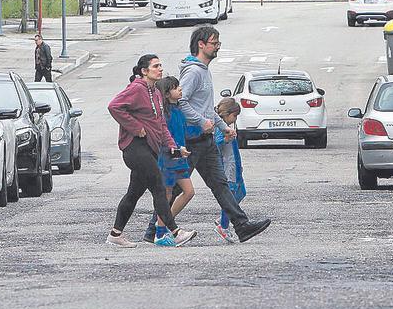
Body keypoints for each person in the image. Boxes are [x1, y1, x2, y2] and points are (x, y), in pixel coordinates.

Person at [146, 26, 270, 243]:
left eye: (218, 43)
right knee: (176, 188)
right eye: (214, 43)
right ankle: (153, 230)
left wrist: (222, 127)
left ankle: (242, 226)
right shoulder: (194, 72)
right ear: (201, 45)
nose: (217, 47)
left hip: (206, 140)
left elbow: (206, 108)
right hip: (193, 140)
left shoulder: (203, 70)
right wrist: (201, 122)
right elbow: (179, 100)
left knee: (220, 184)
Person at [106, 55, 197, 248]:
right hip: (135, 147)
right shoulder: (136, 89)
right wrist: (134, 126)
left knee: (134, 193)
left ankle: (115, 234)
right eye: (156, 66)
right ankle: (174, 232)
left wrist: (173, 146)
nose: (160, 69)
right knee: (159, 187)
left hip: (151, 148)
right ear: (144, 71)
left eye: (160, 65)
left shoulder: (155, 92)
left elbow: (162, 125)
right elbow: (114, 106)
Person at [153, 76, 195, 242]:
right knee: (167, 194)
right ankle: (161, 232)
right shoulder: (165, 114)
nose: (180, 89)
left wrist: (204, 130)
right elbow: (164, 137)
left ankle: (162, 226)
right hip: (167, 160)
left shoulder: (178, 110)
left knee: (189, 192)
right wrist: (176, 149)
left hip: (180, 159)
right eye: (175, 87)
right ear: (167, 93)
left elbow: (186, 131)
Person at [214, 98, 245, 243]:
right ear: (228, 114)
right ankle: (224, 225)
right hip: (227, 167)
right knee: (231, 195)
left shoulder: (227, 127)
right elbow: (216, 145)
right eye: (235, 116)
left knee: (241, 192)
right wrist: (226, 139)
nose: (235, 119)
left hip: (234, 165)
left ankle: (224, 216)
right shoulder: (220, 128)